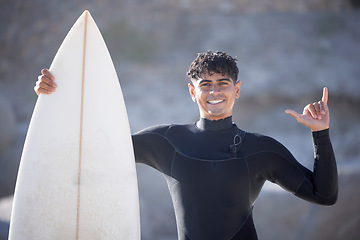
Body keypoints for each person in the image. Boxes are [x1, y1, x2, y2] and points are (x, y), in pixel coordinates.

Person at [34, 51, 338, 240]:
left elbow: (324, 195)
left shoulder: (261, 150)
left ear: (238, 90)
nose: (214, 91)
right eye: (205, 84)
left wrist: (320, 134)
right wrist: (56, 97)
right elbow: (97, 151)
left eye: (223, 83)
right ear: (192, 92)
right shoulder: (167, 141)